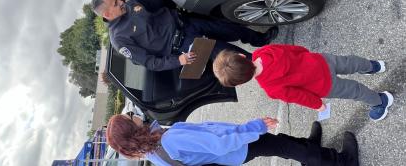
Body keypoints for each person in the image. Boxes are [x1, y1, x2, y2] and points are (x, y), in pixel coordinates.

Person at [90, 0, 278, 71]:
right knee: (229, 54)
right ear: (107, 13)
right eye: (116, 3)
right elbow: (149, 62)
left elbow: (156, 4)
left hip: (187, 22)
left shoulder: (130, 4)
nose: (121, 2)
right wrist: (177, 61)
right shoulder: (119, 39)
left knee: (231, 29)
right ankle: (268, 66)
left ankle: (261, 39)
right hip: (185, 45)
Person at [212, 44, 394, 121]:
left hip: (323, 84)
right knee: (349, 62)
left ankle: (381, 102)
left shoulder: (271, 88)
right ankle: (374, 66)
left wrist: (318, 105)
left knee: (354, 90)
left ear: (242, 83)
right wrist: (306, 54)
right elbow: (292, 49)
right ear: (242, 55)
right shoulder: (263, 52)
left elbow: (298, 96)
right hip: (319, 61)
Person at [106, 113, 359, 166]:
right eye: (130, 117)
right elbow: (218, 143)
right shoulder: (170, 140)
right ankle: (342, 161)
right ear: (132, 128)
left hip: (231, 155)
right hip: (236, 147)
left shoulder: (153, 152)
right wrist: (255, 126)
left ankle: (310, 148)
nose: (134, 115)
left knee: (282, 143)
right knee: (283, 145)